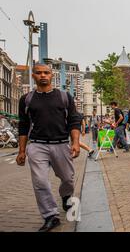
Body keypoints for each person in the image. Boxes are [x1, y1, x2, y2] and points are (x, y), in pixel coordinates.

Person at [16, 63, 82, 232]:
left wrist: (75, 142)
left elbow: (74, 121)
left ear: (52, 75)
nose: (43, 75)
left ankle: (66, 195)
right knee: (40, 182)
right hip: (37, 145)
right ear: (33, 76)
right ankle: (51, 216)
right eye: (39, 73)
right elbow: (23, 126)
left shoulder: (64, 97)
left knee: (68, 179)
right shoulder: (27, 99)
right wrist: (22, 151)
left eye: (46, 73)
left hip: (61, 144)